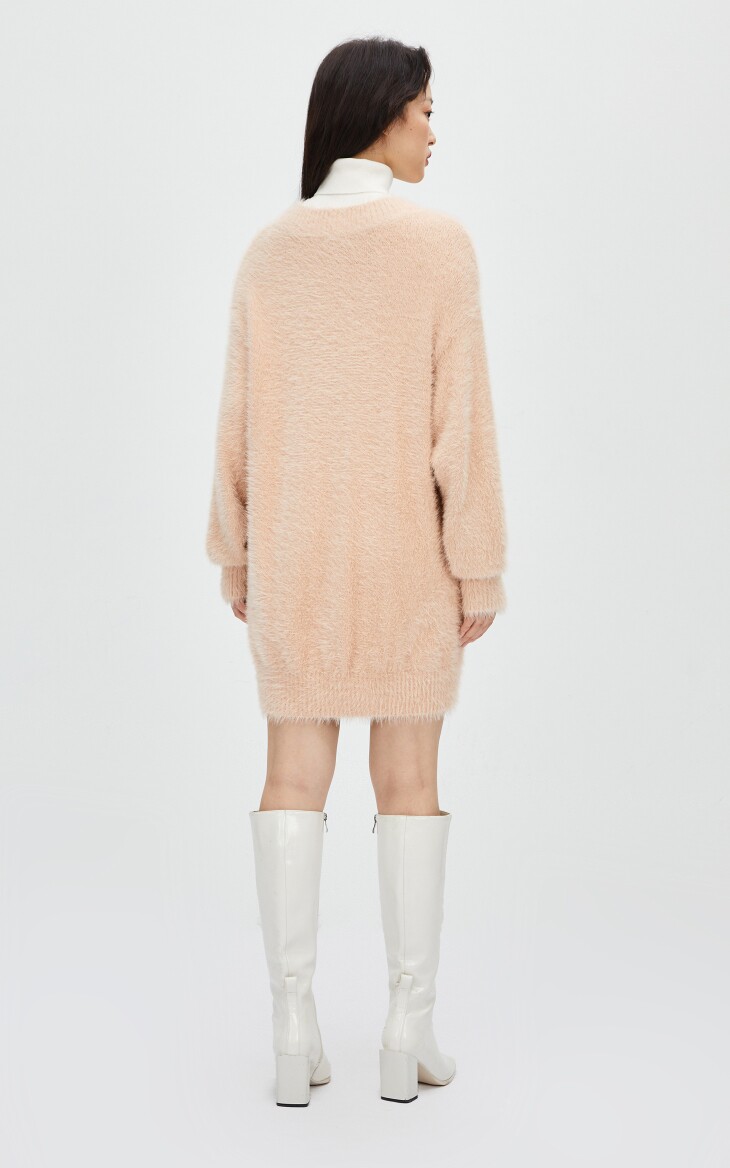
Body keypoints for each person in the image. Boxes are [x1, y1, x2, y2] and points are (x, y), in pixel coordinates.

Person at [205, 36, 508, 1105]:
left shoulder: (269, 251)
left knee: (290, 777)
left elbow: (237, 425)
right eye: (424, 109)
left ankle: (292, 1030)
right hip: (405, 558)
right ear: (379, 113)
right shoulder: (438, 246)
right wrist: (478, 569)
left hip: (295, 557)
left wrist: (236, 552)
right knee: (410, 784)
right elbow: (462, 427)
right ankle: (404, 1028)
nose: (434, 130)